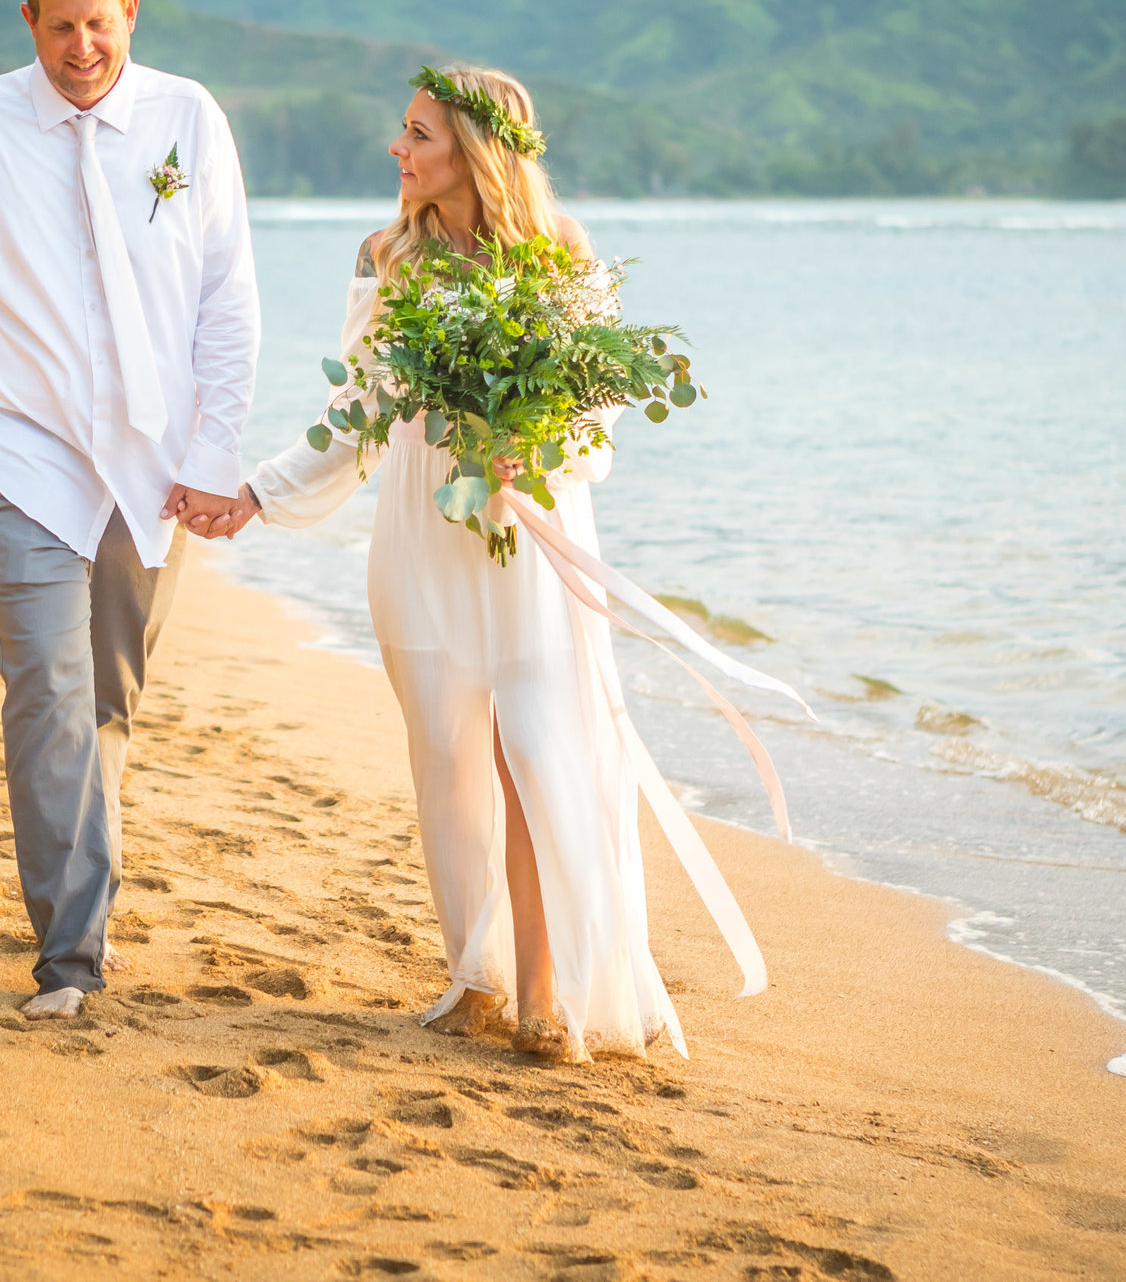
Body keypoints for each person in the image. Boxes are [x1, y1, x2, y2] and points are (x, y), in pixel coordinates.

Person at [194, 66, 733, 1063]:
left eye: (417, 135)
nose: (395, 152)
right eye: (401, 133)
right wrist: (257, 493)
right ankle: (475, 973)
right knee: (446, 758)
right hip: (420, 531)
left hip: (528, 528)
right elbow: (358, 414)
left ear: (476, 155)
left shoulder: (559, 251)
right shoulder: (384, 254)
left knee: (533, 749)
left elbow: (597, 408)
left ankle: (543, 991)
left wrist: (541, 447)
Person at [0, 0, 258, 1020]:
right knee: (49, 691)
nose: (81, 45)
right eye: (60, 25)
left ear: (131, 10)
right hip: (13, 452)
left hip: (150, 467)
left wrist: (213, 452)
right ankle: (71, 955)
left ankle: (74, 896)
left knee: (109, 703)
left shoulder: (188, 119)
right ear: (28, 22)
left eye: (99, 21)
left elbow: (227, 298)